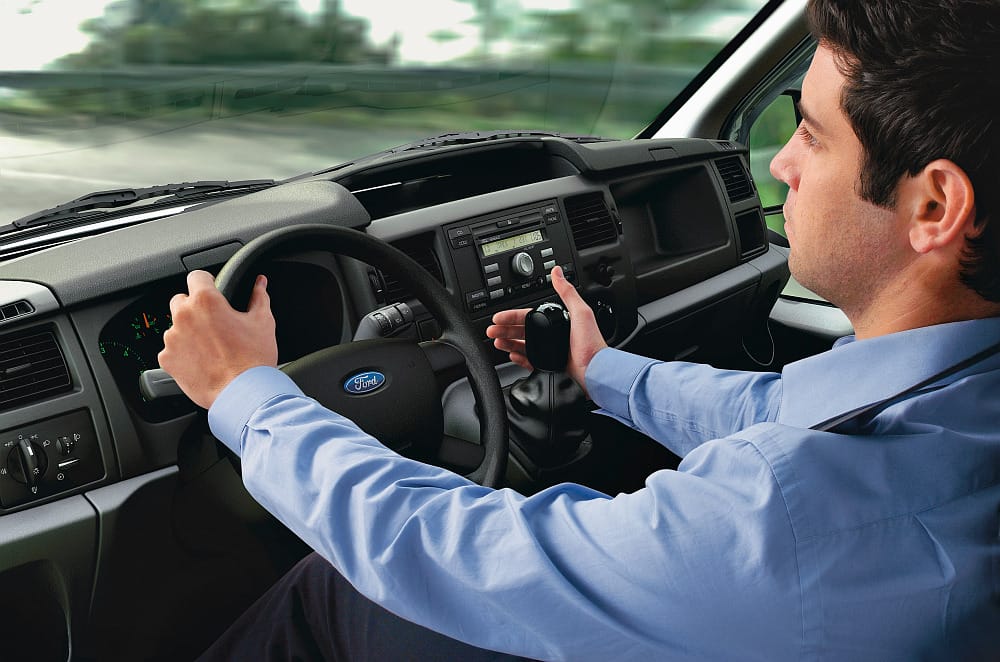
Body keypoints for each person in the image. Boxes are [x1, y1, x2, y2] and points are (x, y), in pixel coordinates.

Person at [159, 0, 1000, 659]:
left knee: (331, 592)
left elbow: (465, 551)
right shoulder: (956, 394)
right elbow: (781, 413)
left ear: (934, 205)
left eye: (811, 136)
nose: (780, 163)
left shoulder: (789, 520)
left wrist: (247, 394)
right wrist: (600, 370)